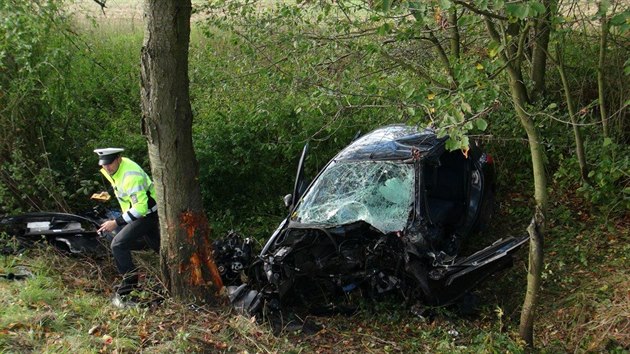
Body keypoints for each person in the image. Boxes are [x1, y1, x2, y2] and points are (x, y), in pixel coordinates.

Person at [94, 148, 160, 296]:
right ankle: (179, 269)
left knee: (118, 245)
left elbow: (141, 208)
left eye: (109, 163)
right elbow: (123, 189)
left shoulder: (131, 175)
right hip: (138, 213)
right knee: (159, 246)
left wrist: (116, 222)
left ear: (119, 158)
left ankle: (130, 286)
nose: (106, 167)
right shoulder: (117, 168)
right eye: (103, 164)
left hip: (146, 214)